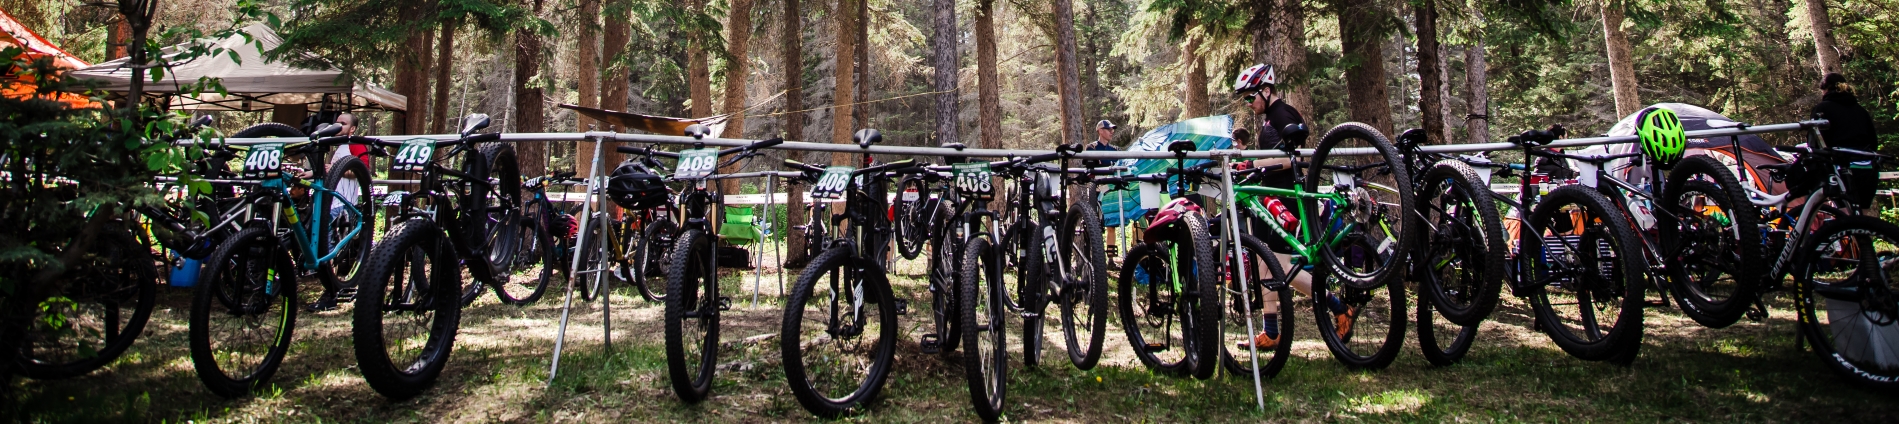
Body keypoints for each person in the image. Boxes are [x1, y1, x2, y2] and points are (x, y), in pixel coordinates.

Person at [1228, 63, 1355, 350]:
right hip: (1272, 196)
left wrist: (1248, 163)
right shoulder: (1274, 117)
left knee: (1281, 267)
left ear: (1267, 90)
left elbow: (1293, 158)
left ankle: (1337, 306)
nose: (1249, 103)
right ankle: (1271, 330)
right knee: (1266, 263)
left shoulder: (1281, 115)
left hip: (1283, 199)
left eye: (1251, 97)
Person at [1810, 73, 1882, 215]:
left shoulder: (1822, 109)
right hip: (1867, 167)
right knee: (1863, 218)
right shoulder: (1861, 110)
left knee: (1845, 218)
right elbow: (1873, 141)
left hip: (1840, 167)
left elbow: (1816, 142)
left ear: (1825, 90)